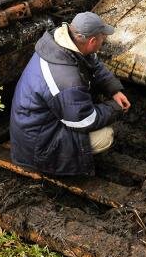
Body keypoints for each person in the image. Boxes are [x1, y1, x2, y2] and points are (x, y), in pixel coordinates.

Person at [10, 12, 131, 176]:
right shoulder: (67, 79)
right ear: (92, 41)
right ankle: (64, 166)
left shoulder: (63, 44)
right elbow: (83, 120)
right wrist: (115, 108)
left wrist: (114, 90)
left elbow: (93, 63)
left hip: (35, 124)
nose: (104, 42)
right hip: (38, 147)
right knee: (105, 136)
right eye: (103, 38)